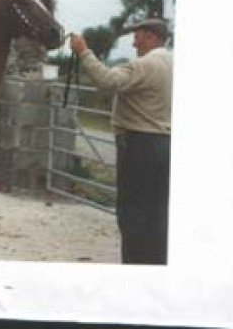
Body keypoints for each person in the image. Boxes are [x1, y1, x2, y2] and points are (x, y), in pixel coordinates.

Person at [70, 18, 173, 265]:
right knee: (158, 212)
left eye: (137, 35)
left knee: (132, 212)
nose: (134, 41)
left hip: (140, 143)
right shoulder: (172, 62)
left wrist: (83, 52)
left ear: (151, 37)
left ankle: (134, 268)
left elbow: (107, 81)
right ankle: (156, 265)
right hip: (165, 142)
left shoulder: (145, 65)